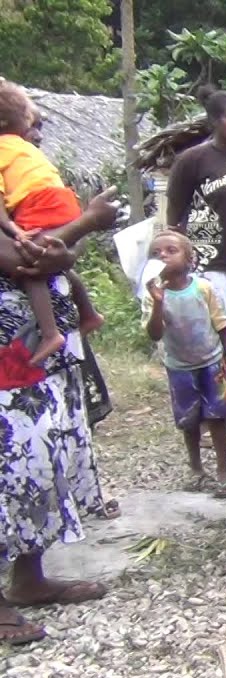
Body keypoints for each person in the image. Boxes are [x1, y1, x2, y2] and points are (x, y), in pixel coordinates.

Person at [0, 187, 121, 646]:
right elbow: (20, 261)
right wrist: (87, 221)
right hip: (9, 363)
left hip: (37, 360)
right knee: (9, 471)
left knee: (40, 466)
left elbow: (54, 254)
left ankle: (29, 578)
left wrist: (60, 248)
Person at [165, 87, 226, 424]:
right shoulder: (194, 160)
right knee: (219, 338)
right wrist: (176, 257)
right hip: (209, 261)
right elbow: (175, 213)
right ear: (214, 120)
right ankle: (211, 413)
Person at [0, 80, 102, 364]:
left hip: (56, 348)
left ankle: (80, 320)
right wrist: (86, 223)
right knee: (32, 270)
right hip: (14, 344)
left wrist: (67, 254)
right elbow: (24, 260)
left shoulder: (26, 172)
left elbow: (67, 247)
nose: (35, 135)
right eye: (28, 124)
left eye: (39, 126)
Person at [142, 231, 226, 497]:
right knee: (189, 420)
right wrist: (158, 304)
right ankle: (196, 469)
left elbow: (221, 323)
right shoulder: (153, 295)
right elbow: (154, 334)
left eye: (171, 250)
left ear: (189, 259)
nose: (163, 255)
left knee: (217, 417)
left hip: (212, 362)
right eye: (156, 253)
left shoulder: (202, 288)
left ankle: (223, 469)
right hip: (179, 367)